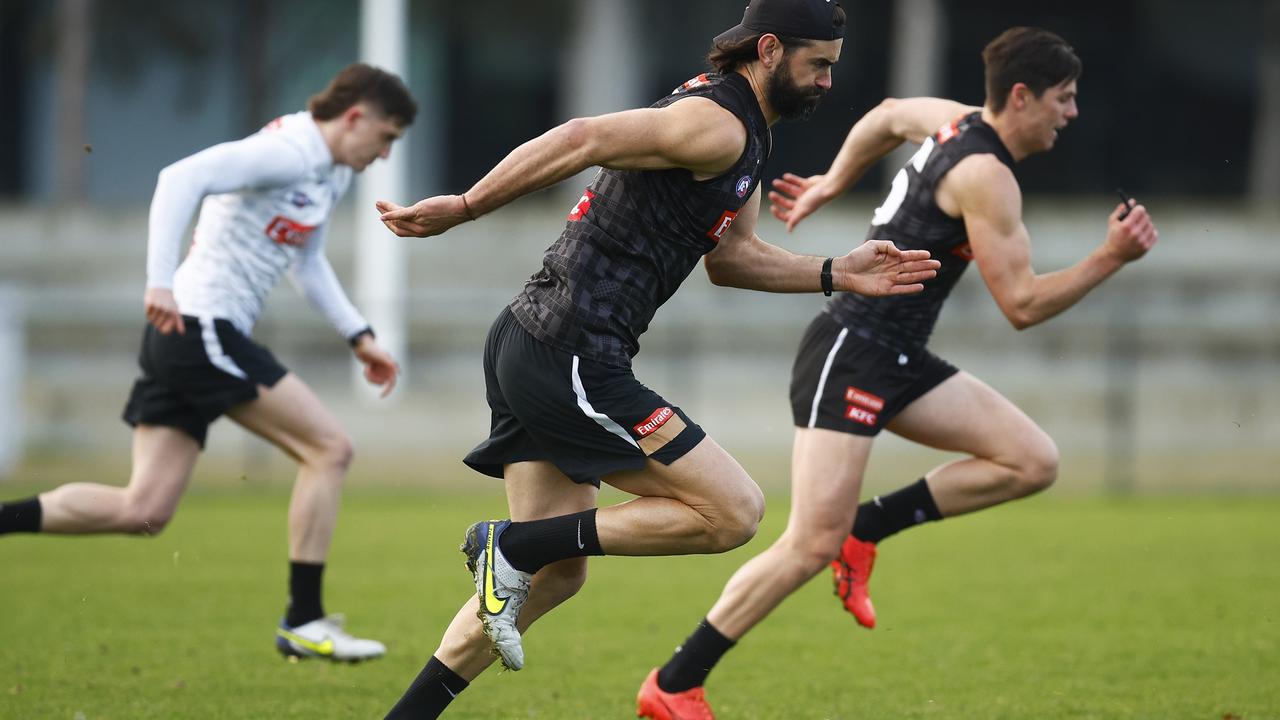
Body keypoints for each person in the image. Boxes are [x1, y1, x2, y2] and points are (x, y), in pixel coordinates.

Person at [375, 1, 941, 716]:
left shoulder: (748, 136)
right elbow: (583, 136)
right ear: (769, 49)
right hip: (569, 349)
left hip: (541, 342)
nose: (828, 80)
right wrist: (465, 205)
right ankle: (511, 544)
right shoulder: (715, 123)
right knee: (734, 512)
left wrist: (838, 271)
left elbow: (732, 260)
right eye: (817, 64)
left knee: (554, 575)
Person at [637, 26, 1159, 718]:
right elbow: (1023, 305)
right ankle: (674, 684)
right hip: (851, 351)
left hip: (900, 356)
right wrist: (1110, 257)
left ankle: (868, 528)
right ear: (1023, 96)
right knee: (807, 544)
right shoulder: (988, 175)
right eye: (1063, 99)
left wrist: (831, 183)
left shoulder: (953, 121)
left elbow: (886, 115)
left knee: (1031, 460)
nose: (1073, 113)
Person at [0, 63, 417, 662]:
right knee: (330, 449)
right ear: (355, 117)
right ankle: (303, 620)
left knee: (142, 510)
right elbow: (179, 177)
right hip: (198, 327)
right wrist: (158, 281)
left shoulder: (329, 173)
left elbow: (306, 262)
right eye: (386, 137)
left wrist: (359, 335)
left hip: (190, 337)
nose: (383, 154)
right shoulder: (290, 151)